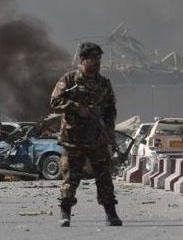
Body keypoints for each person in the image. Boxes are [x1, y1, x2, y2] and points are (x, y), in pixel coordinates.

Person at [50, 42, 122, 227]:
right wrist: (76, 107)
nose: (98, 62)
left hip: (97, 139)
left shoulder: (104, 83)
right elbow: (55, 101)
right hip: (73, 139)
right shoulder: (69, 80)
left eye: (99, 59)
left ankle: (111, 213)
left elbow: (110, 109)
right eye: (93, 58)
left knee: (104, 177)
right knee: (70, 178)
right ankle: (65, 213)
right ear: (83, 59)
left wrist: (108, 131)